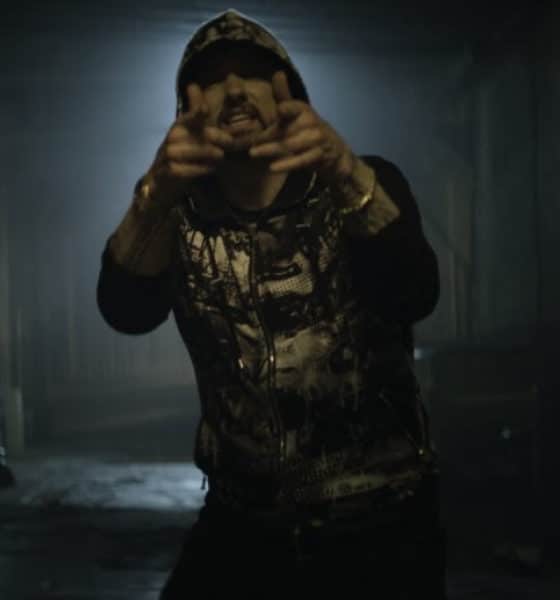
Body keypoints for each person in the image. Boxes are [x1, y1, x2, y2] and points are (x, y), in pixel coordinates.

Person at [97, 9, 446, 598]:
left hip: (380, 516)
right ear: (188, 107)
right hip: (243, 521)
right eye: (214, 79)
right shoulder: (177, 220)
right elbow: (124, 311)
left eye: (253, 73)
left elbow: (415, 292)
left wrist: (342, 168)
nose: (235, 89)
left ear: (289, 92)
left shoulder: (364, 180)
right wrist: (156, 191)